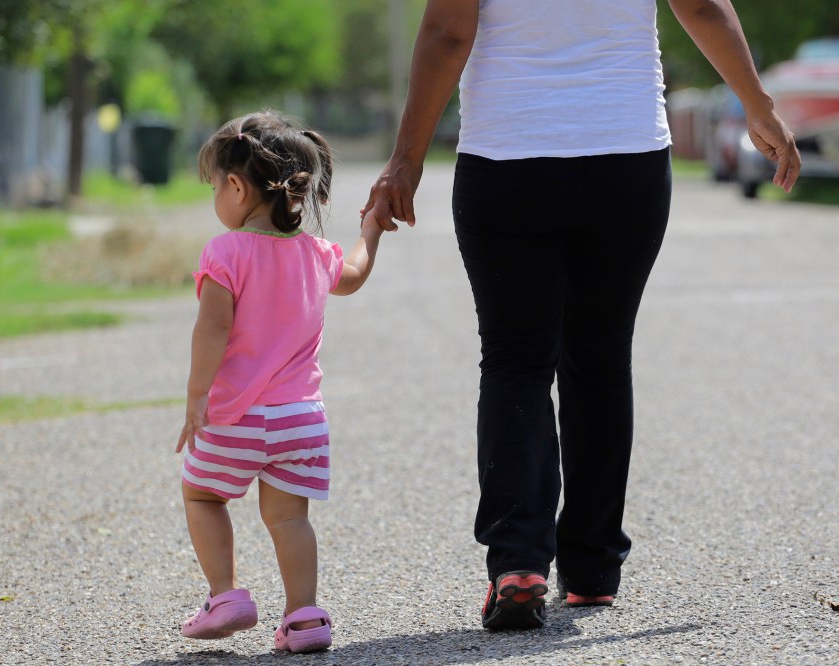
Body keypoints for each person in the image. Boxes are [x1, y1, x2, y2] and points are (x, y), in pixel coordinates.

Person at [363, 0, 800, 631]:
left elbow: (447, 30)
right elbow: (702, 6)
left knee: (516, 361)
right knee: (598, 358)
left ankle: (517, 563)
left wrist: (406, 158)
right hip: (625, 160)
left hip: (508, 158)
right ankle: (592, 569)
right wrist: (758, 106)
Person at [175, 111, 383, 652]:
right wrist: (370, 230)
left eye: (216, 187)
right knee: (290, 518)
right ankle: (305, 618)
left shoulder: (225, 252)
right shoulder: (315, 253)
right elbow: (355, 275)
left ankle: (226, 595)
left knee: (202, 496)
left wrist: (197, 397)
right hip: (301, 421)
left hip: (234, 416)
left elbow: (212, 328)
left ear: (238, 186)